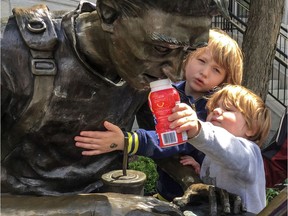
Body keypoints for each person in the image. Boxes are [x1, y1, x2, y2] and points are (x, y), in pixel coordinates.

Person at [1, 0, 229, 196]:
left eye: (189, 52)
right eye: (161, 48)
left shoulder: (147, 71)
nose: (177, 73)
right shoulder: (10, 52)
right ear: (109, 14)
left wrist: (193, 184)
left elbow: (163, 140)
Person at [74, 28, 243, 201]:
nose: (205, 72)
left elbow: (175, 140)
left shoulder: (211, 110)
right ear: (187, 57)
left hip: (198, 197)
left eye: (216, 70)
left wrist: (127, 141)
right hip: (167, 190)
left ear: (225, 79)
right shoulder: (168, 91)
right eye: (201, 60)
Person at [169, 84, 271, 214]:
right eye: (212, 109)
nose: (216, 111)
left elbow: (227, 148)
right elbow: (218, 175)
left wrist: (199, 130)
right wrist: (200, 169)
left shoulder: (250, 154)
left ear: (252, 129)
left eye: (228, 109)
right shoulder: (214, 154)